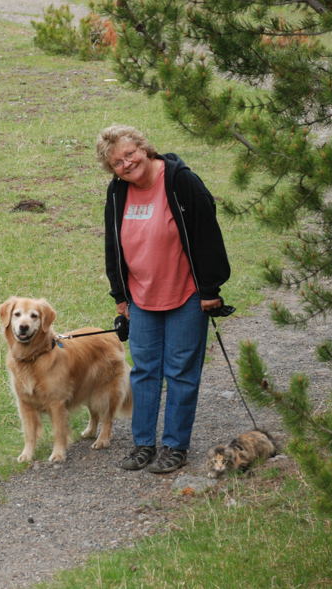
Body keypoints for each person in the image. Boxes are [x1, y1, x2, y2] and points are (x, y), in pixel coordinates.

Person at [97, 125, 231, 473]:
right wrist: (120, 296)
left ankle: (175, 446)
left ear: (145, 148)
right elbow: (114, 246)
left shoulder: (180, 181)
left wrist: (210, 289)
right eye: (117, 163)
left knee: (181, 373)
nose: (126, 164)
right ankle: (143, 443)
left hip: (186, 295)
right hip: (141, 298)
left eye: (130, 154)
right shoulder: (118, 192)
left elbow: (207, 234)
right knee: (144, 373)